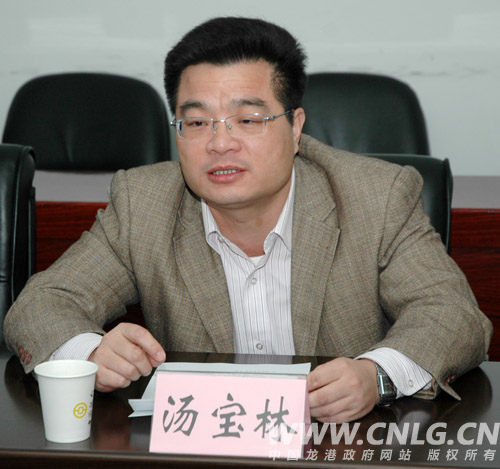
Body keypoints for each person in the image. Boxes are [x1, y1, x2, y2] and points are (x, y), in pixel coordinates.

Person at [4, 17, 492, 424]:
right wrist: (89, 353)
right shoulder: (144, 204)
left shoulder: (375, 197)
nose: (220, 143)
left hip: (340, 447)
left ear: (295, 127)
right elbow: (41, 305)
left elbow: (453, 315)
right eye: (197, 122)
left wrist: (375, 375)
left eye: (248, 120)